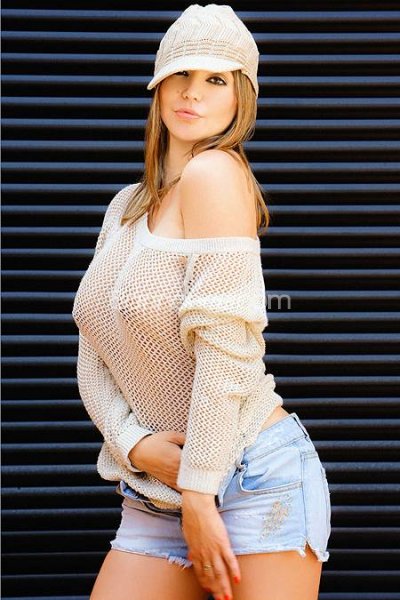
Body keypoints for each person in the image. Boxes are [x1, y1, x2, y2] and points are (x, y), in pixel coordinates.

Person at [72, 4, 332, 600]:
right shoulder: (125, 207)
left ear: (241, 97)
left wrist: (198, 490)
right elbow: (93, 350)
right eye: (181, 75)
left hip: (248, 476)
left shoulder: (215, 173)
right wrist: (133, 444)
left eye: (215, 78)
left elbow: (228, 345)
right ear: (159, 86)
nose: (193, 93)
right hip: (155, 487)